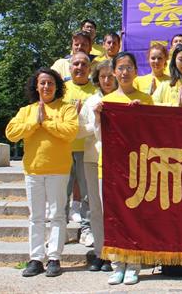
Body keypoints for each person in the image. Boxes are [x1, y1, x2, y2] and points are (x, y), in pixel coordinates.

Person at [6, 68, 78, 277]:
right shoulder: (26, 111)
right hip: (33, 170)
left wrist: (45, 121)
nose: (47, 87)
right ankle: (36, 258)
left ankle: (54, 257)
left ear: (57, 86)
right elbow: (11, 133)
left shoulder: (66, 109)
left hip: (58, 170)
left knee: (56, 215)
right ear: (36, 86)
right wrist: (34, 122)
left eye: (51, 83)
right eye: (43, 83)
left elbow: (70, 132)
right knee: (36, 217)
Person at [94, 52, 154, 285]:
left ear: (136, 72)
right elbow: (97, 135)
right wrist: (98, 115)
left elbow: (154, 134)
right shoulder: (106, 102)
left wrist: (141, 115)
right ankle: (117, 264)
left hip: (138, 167)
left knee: (135, 216)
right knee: (114, 217)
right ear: (114, 72)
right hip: (109, 168)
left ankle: (135, 264)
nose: (125, 72)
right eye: (120, 68)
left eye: (129, 67)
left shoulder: (146, 99)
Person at [76, 60, 117, 273]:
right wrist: (97, 122)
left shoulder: (123, 99)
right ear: (97, 79)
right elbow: (78, 131)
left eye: (111, 76)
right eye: (103, 77)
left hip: (118, 161)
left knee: (115, 209)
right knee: (96, 208)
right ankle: (102, 253)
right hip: (93, 160)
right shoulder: (91, 100)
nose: (107, 80)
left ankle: (117, 253)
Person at [61, 52, 97, 247]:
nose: (80, 67)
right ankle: (60, 230)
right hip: (63, 149)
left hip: (87, 149)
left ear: (89, 69)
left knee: (87, 193)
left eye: (84, 64)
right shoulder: (61, 90)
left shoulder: (95, 91)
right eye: (76, 64)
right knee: (62, 192)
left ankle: (86, 230)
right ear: (70, 67)